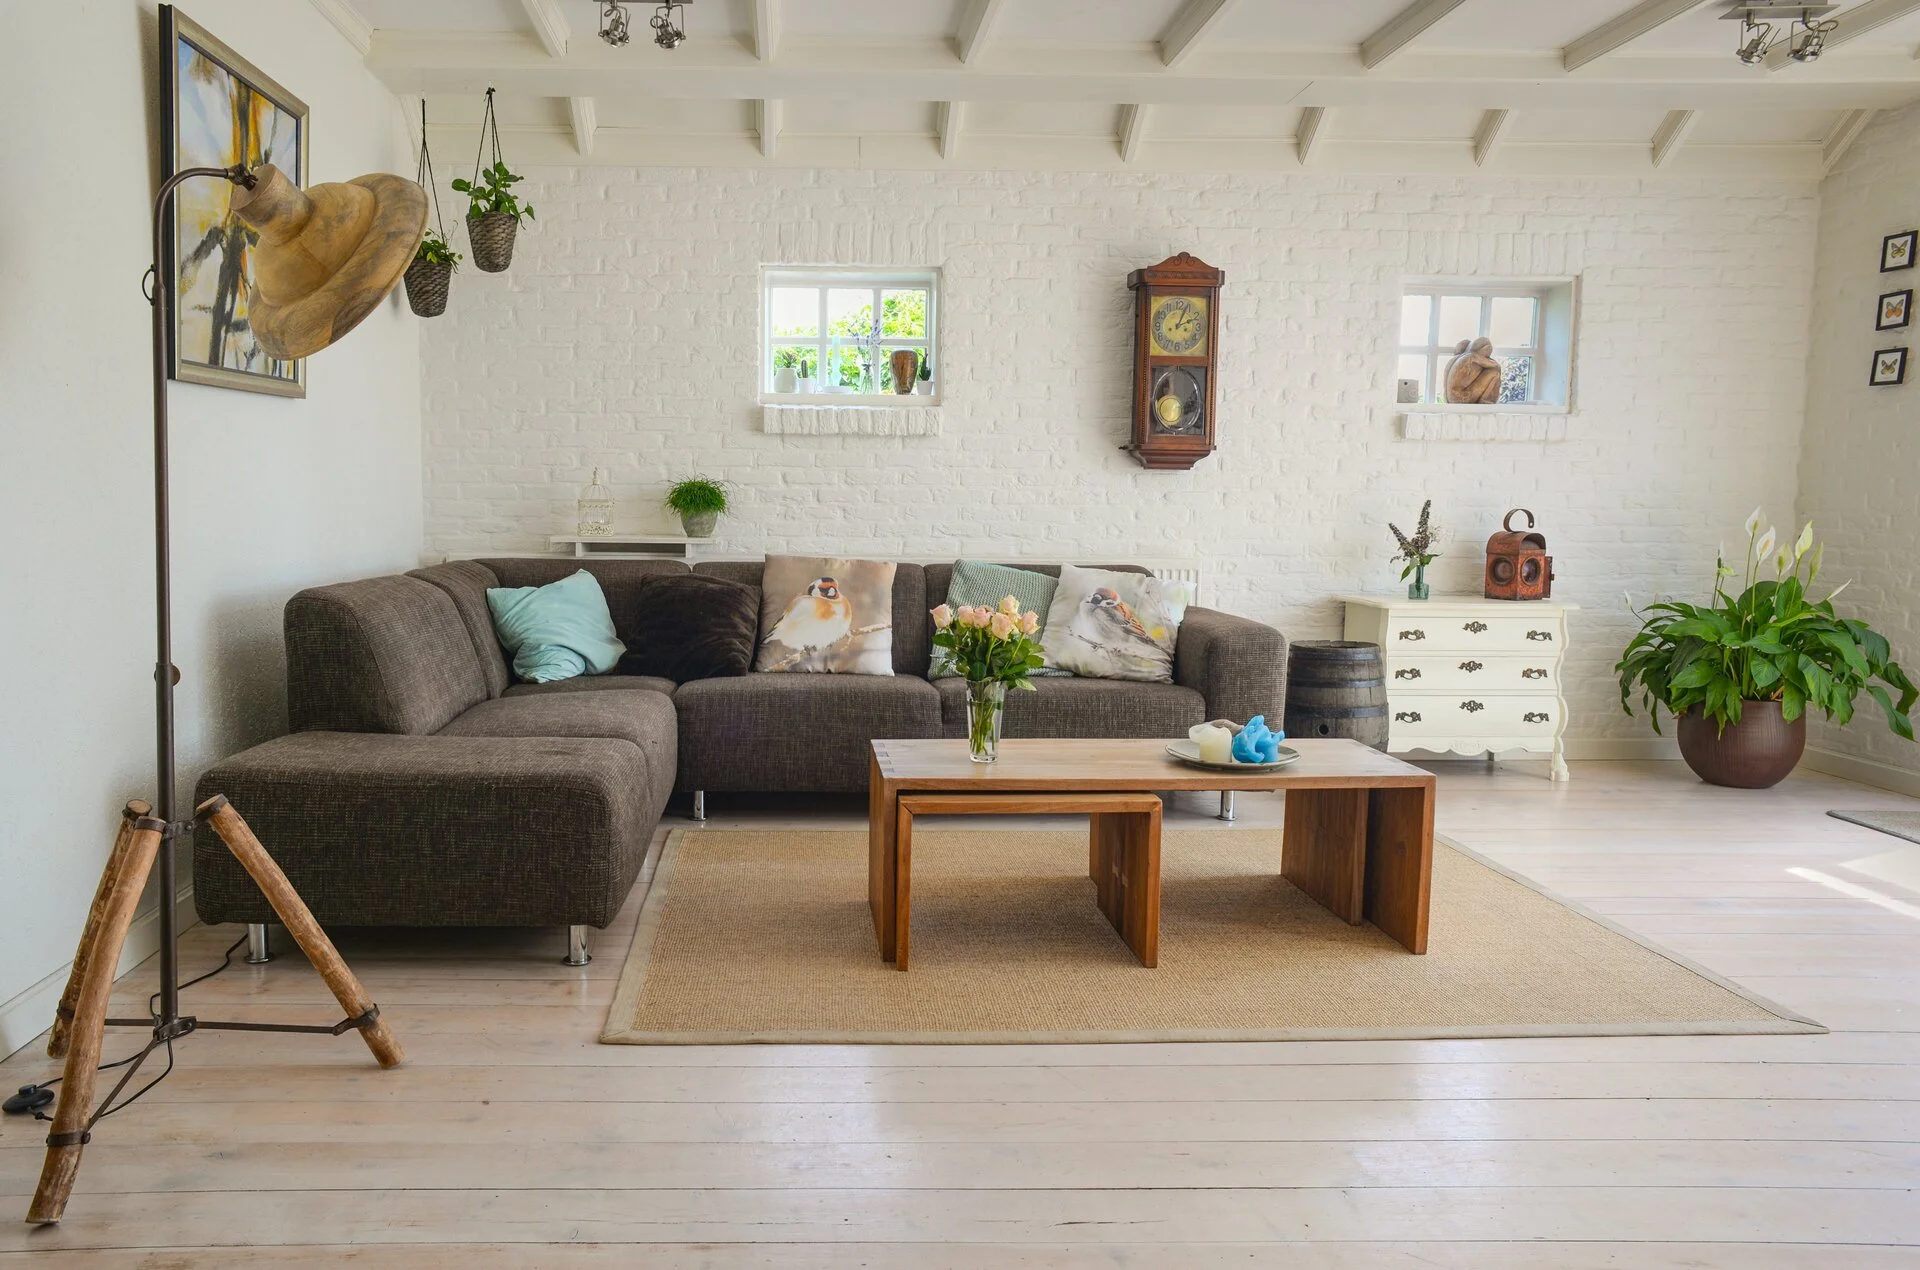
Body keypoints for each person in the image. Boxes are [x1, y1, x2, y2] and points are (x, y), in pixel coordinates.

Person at [1444, 336, 1503, 404]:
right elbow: (1496, 365)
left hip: (1451, 399)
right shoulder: (1472, 356)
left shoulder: (1454, 360)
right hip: (1461, 397)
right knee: (1494, 373)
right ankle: (1484, 399)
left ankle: (1484, 400)